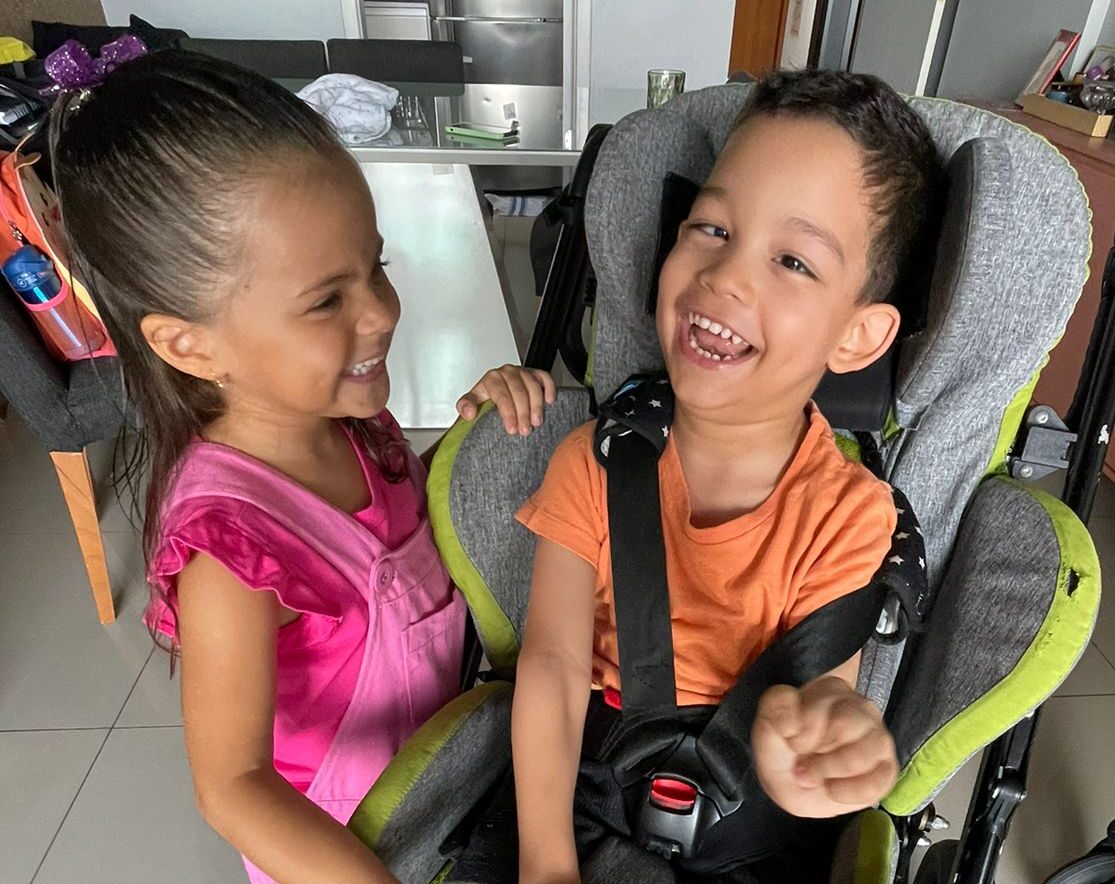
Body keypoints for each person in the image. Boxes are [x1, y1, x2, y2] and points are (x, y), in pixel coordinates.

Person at [51, 49, 555, 884]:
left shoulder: (342, 420)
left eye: (377, 268)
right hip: (352, 850)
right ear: (190, 344)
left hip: (444, 783)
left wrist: (475, 441)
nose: (382, 312)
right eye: (327, 299)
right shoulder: (230, 554)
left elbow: (389, 538)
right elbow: (233, 787)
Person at [508, 70, 940, 882]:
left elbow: (823, 700)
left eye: (792, 260)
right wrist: (545, 863)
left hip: (754, 827)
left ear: (856, 336)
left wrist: (821, 746)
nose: (727, 277)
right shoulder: (593, 464)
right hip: (587, 797)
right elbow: (554, 667)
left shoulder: (851, 515)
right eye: (711, 227)